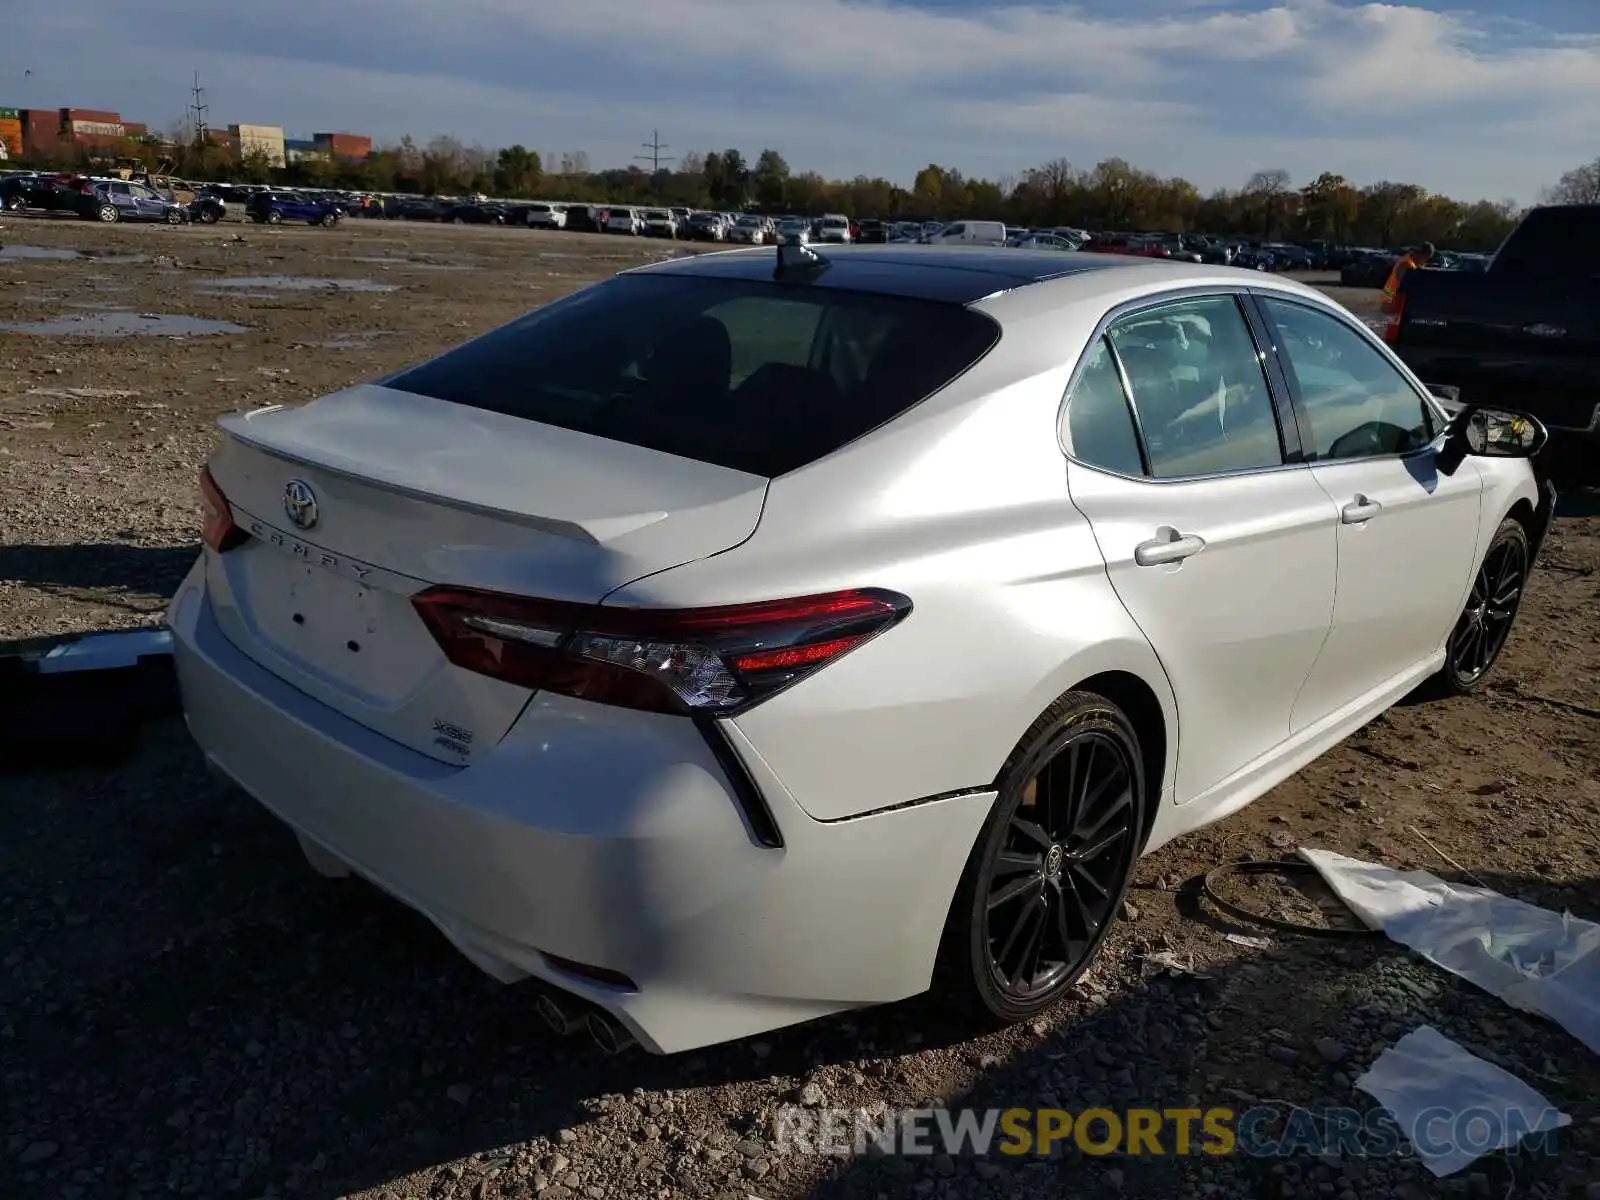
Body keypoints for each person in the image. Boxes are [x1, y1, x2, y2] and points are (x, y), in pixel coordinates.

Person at [1380, 242, 1435, 311]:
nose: (1425, 261)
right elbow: (1401, 284)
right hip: (1393, 298)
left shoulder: (1409, 260)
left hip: (1390, 296)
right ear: (1422, 255)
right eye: (1426, 258)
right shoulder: (1407, 264)